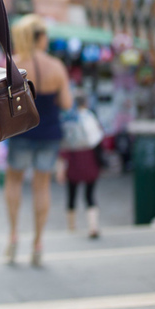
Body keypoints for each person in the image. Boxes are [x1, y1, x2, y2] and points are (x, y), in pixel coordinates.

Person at [4, 14, 73, 266]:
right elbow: (66, 103)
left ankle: (13, 236)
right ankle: (38, 243)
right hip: (49, 133)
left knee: (14, 181)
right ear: (40, 37)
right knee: (41, 186)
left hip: (21, 131)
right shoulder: (57, 66)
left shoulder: (12, 64)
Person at [58, 93, 102, 239]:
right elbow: (98, 139)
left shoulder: (68, 119)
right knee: (90, 195)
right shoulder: (89, 117)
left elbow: (63, 145)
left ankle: (72, 227)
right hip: (89, 159)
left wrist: (60, 168)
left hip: (73, 160)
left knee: (71, 194)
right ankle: (93, 226)